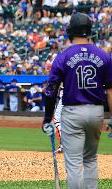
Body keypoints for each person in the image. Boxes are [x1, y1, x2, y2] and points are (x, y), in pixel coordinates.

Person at [42, 12, 112, 189]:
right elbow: (110, 91)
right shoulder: (104, 56)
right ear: (90, 31)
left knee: (73, 163)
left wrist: (47, 118)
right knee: (90, 160)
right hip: (96, 112)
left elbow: (51, 90)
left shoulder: (63, 56)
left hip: (72, 111)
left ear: (70, 32)